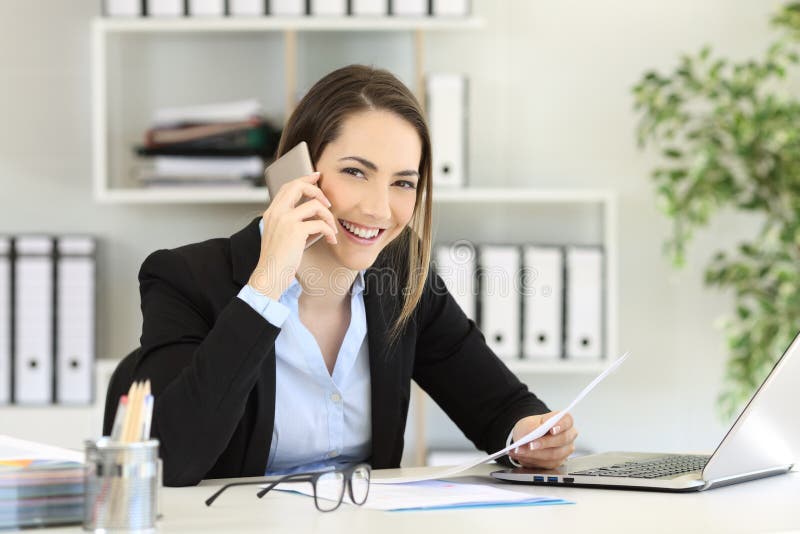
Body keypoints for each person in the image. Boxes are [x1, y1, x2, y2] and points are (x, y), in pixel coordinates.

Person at [133, 64, 578, 487]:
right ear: (296, 169)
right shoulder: (184, 279)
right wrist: (266, 285)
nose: (379, 209)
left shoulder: (400, 272)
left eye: (403, 182)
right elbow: (169, 459)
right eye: (354, 172)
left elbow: (498, 404)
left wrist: (532, 435)